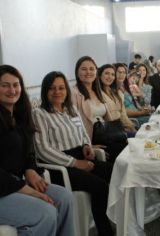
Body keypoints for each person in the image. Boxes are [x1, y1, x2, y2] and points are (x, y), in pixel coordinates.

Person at [33, 71, 114, 236]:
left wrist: (86, 145)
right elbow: (43, 149)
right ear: (45, 91)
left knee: (115, 171)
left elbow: (83, 132)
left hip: (80, 155)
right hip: (60, 166)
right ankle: (104, 231)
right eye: (52, 88)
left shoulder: (71, 109)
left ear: (67, 90)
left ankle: (117, 218)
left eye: (61, 87)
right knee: (99, 186)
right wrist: (75, 163)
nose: (57, 92)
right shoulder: (39, 114)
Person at [0, 65, 75, 236]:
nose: (12, 90)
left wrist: (30, 169)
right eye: (5, 85)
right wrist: (26, 190)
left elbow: (29, 151)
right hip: (4, 190)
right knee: (45, 213)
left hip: (18, 184)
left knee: (64, 198)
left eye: (16, 84)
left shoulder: (19, 116)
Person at [71, 56, 122, 160]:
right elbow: (73, 124)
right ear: (77, 72)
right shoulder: (74, 93)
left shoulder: (98, 91)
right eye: (84, 69)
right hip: (91, 140)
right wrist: (87, 145)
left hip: (106, 135)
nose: (88, 72)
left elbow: (109, 118)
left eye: (91, 69)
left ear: (96, 71)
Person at [98, 64, 136, 137]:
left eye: (112, 74)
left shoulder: (115, 92)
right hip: (113, 132)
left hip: (122, 128)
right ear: (100, 75)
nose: (110, 77)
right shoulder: (99, 93)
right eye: (106, 73)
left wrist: (131, 126)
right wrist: (124, 128)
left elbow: (122, 114)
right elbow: (108, 118)